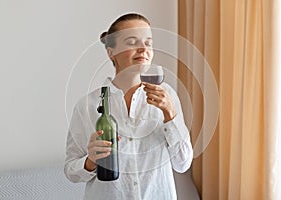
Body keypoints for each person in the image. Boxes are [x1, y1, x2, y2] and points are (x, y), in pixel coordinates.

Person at [64, 13, 193, 200]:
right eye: (132, 42)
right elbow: (71, 171)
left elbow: (183, 163)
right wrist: (90, 161)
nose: (143, 49)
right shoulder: (87, 106)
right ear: (111, 52)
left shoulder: (168, 96)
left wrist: (170, 115)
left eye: (148, 43)